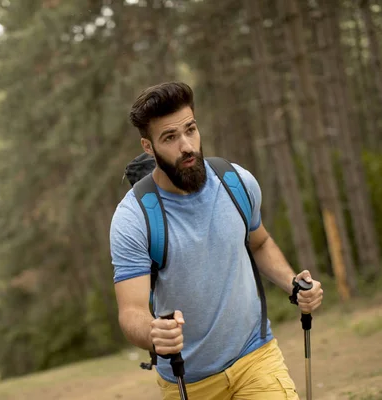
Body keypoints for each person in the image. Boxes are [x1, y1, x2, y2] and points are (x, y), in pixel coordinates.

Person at [109, 81, 324, 400]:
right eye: (170, 137)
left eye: (191, 130)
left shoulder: (237, 182)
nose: (187, 146)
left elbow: (259, 243)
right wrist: (153, 334)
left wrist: (293, 284)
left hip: (255, 357)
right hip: (188, 378)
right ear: (148, 147)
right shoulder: (134, 217)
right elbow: (131, 310)